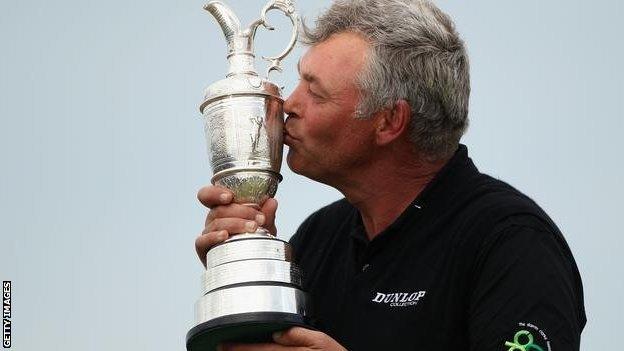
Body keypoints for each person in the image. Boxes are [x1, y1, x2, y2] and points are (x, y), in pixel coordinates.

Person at [195, 0, 586, 350]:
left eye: (315, 92)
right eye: (297, 81)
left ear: (389, 121)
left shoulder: (512, 242)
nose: (288, 104)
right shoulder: (318, 238)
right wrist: (245, 276)